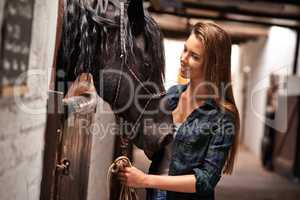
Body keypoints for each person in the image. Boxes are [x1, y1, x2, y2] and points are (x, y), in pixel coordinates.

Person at [118, 22, 240, 200]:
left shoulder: (223, 116)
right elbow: (157, 153)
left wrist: (145, 180)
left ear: (213, 65)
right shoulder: (171, 96)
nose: (183, 58)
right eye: (185, 49)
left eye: (194, 56)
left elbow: (205, 181)